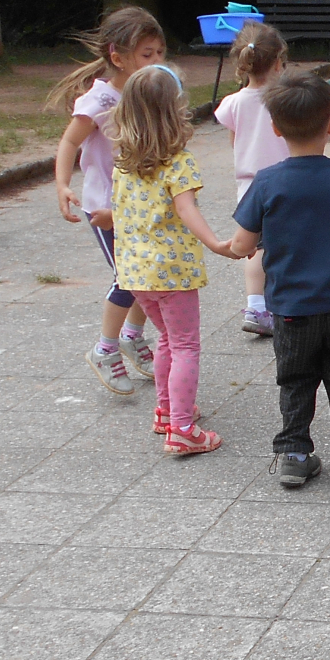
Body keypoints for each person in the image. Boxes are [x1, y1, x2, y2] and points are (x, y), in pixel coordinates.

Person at [229, 73, 330, 486]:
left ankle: (295, 453)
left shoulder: (267, 181)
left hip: (291, 307)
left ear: (275, 128)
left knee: (296, 380)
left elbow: (242, 243)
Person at [107, 64, 238, 455]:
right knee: (185, 346)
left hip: (134, 273)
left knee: (167, 339)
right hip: (172, 272)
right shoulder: (178, 162)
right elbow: (186, 209)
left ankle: (166, 411)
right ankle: (181, 429)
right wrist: (215, 243)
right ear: (174, 111)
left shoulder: (123, 164)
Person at [50, 7, 168, 396]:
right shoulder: (100, 99)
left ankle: (132, 336)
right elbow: (69, 141)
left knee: (145, 275)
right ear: (118, 58)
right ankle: (104, 349)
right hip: (106, 207)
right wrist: (63, 185)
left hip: (139, 204)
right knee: (128, 277)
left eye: (159, 53)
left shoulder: (147, 92)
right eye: (147, 54)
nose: (156, 61)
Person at [213, 24, 292, 336]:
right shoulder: (283, 99)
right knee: (285, 243)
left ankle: (256, 306)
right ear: (278, 63)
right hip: (285, 180)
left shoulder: (233, 102)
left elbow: (235, 141)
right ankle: (281, 303)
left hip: (249, 185)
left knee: (256, 248)